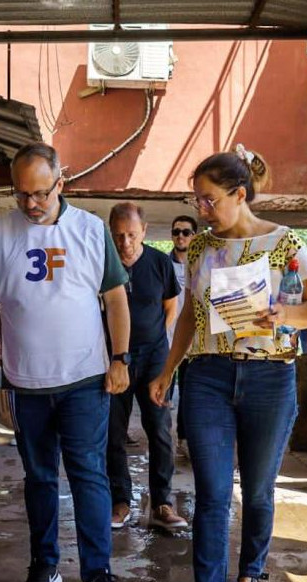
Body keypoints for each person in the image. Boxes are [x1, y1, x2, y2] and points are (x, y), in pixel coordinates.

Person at [149, 146, 307, 582]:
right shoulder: (202, 249)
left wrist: (283, 315)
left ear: (239, 194)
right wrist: (167, 371)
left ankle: (250, 577)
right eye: (197, 200)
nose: (201, 210)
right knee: (209, 491)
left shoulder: (286, 243)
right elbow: (189, 314)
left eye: (208, 201)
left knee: (259, 489)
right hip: (207, 376)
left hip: (270, 377)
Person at [0, 142, 130, 582]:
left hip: (84, 378)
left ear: (62, 182)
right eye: (22, 194)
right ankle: (44, 564)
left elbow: (116, 299)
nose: (32, 203)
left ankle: (99, 576)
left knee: (87, 476)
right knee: (39, 476)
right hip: (25, 382)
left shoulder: (89, 230)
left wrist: (120, 359)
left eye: (41, 192)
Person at [105, 202, 187, 531]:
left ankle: (163, 503)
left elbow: (170, 307)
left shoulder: (159, 263)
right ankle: (121, 501)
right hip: (112, 360)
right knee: (112, 434)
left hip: (154, 358)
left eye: (132, 235)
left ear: (145, 231)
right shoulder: (102, 261)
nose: (125, 243)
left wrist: (159, 345)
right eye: (119, 236)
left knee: (160, 432)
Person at [168, 214, 197, 453]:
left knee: (189, 394)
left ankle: (184, 439)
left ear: (194, 236)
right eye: (176, 232)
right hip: (164, 341)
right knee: (161, 395)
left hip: (192, 343)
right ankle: (161, 439)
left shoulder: (201, 265)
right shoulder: (162, 263)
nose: (180, 236)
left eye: (186, 232)